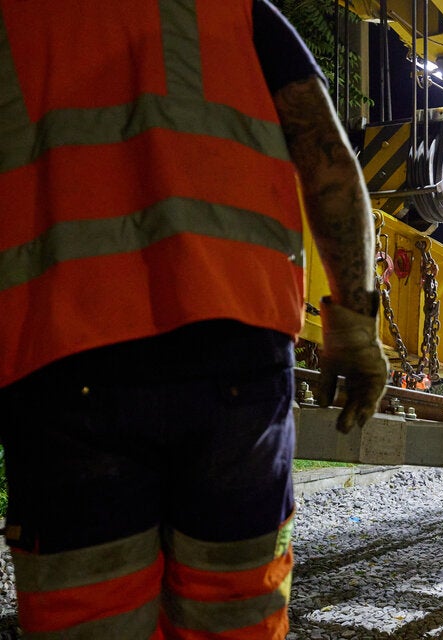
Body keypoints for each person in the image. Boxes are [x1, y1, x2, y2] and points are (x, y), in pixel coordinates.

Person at [0, 2, 388, 638]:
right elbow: (328, 161)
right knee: (232, 611)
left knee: (88, 615)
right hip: (232, 350)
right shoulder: (236, 11)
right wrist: (354, 320)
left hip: (61, 359)